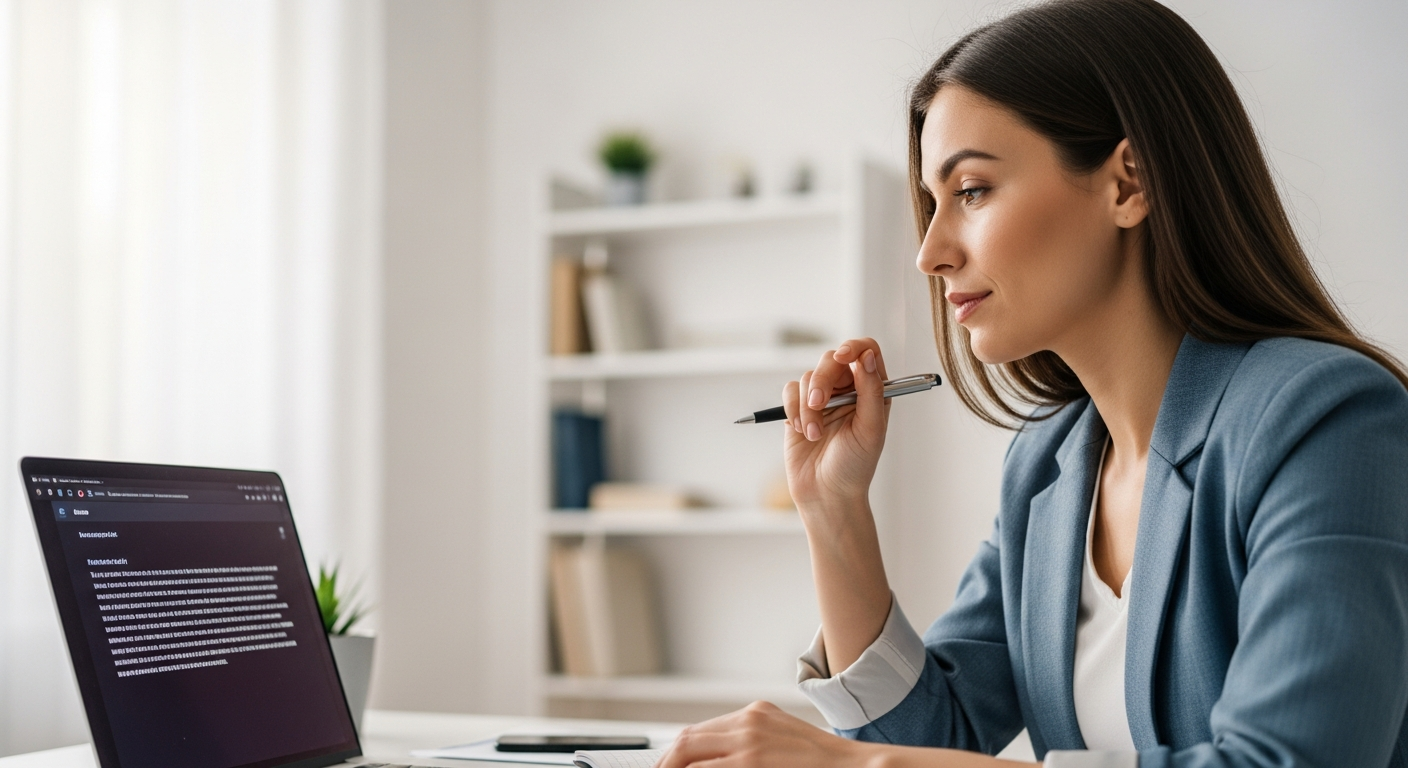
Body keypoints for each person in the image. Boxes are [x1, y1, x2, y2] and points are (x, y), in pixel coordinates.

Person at [657, 0, 1408, 766]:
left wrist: (859, 764)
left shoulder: (1330, 423)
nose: (930, 252)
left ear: (1128, 183)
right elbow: (931, 739)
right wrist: (834, 509)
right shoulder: (1047, 466)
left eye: (972, 190)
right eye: (930, 204)